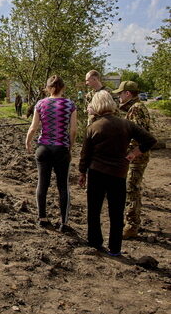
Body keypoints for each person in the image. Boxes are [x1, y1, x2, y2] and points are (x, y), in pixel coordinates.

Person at [78, 91, 157, 256]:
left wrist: (82, 173)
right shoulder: (126, 124)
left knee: (94, 210)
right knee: (116, 212)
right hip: (119, 173)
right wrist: (135, 152)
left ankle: (95, 242)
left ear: (97, 105)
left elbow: (85, 154)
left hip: (97, 172)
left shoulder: (93, 127)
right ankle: (115, 248)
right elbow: (150, 140)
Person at [26, 75, 78, 232]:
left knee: (43, 183)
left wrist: (28, 141)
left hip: (44, 149)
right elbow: (73, 130)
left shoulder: (41, 103)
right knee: (63, 186)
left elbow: (34, 127)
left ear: (48, 88)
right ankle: (64, 223)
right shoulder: (70, 104)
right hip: (61, 148)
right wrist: (70, 145)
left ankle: (42, 218)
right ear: (63, 88)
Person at [112, 81, 153, 239]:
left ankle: (131, 225)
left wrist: (133, 152)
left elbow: (140, 135)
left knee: (132, 189)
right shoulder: (136, 108)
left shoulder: (136, 109)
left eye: (120, 94)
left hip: (136, 158)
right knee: (131, 188)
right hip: (137, 156)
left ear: (127, 93)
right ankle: (131, 221)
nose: (119, 97)